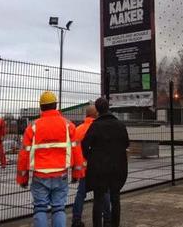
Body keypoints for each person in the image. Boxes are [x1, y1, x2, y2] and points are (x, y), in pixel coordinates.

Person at [16, 91, 84, 227]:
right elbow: (77, 151)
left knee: (40, 208)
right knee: (59, 208)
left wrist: (22, 178)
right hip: (61, 174)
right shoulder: (68, 126)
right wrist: (77, 174)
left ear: (41, 107)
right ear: (56, 105)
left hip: (40, 175)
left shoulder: (33, 127)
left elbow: (24, 154)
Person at [82, 97, 129, 227]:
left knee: (98, 199)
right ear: (108, 107)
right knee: (115, 198)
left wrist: (91, 157)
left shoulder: (95, 126)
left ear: (97, 110)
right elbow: (126, 143)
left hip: (99, 169)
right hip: (117, 168)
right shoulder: (120, 125)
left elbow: (84, 145)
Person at [72, 104, 111, 227]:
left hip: (84, 169)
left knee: (80, 194)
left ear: (86, 115)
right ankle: (108, 220)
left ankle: (76, 220)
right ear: (97, 114)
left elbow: (74, 150)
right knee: (104, 193)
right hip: (100, 167)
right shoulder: (102, 128)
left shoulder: (78, 130)